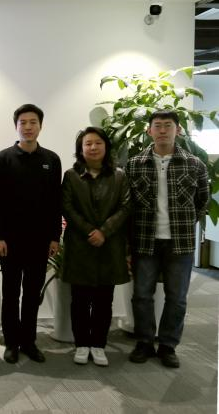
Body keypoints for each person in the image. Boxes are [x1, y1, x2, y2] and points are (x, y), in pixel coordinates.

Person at [126, 109, 209, 368]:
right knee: (142, 295)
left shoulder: (195, 164)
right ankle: (144, 342)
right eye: (158, 125)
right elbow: (127, 205)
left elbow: (202, 202)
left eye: (168, 125)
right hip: (144, 239)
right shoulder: (134, 164)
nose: (163, 130)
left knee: (177, 297)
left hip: (180, 243)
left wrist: (184, 224)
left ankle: (168, 345)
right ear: (149, 130)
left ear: (178, 130)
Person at [0, 104, 62, 364]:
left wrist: (55, 236)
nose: (28, 127)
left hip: (40, 240)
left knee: (32, 294)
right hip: (10, 240)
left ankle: (29, 342)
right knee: (11, 294)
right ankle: (11, 342)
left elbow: (55, 201)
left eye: (33, 122)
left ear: (40, 126)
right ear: (16, 126)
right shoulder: (3, 158)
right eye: (23, 122)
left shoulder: (51, 160)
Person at [61, 127, 131, 367]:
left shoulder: (119, 176)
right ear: (80, 149)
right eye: (88, 144)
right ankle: (82, 344)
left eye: (98, 143)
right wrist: (90, 231)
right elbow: (67, 207)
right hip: (80, 245)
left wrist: (104, 231)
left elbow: (126, 207)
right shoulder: (71, 176)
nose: (93, 147)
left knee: (104, 300)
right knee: (79, 300)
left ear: (106, 147)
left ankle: (99, 344)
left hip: (109, 246)